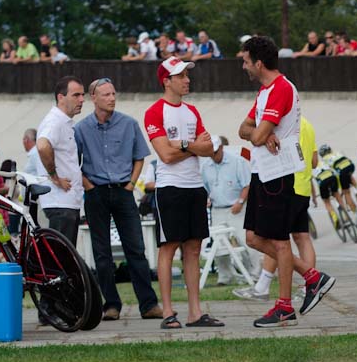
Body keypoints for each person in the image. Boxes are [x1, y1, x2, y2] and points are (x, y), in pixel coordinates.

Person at [238, 36, 334, 327]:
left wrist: (260, 133)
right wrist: (262, 133)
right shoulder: (265, 91)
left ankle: (284, 306)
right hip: (263, 172)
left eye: (245, 61)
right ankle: (312, 275)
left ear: (258, 62)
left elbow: (253, 134)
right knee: (253, 237)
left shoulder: (280, 89)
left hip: (278, 175)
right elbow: (243, 129)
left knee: (279, 242)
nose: (244, 67)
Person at [144, 57, 222, 329]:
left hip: (194, 187)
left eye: (187, 75)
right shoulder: (155, 112)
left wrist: (183, 143)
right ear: (167, 80)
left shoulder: (192, 112)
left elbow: (210, 148)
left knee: (193, 249)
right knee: (168, 248)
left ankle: (195, 313)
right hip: (170, 189)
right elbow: (164, 154)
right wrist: (191, 145)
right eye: (181, 76)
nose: (187, 80)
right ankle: (167, 312)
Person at [76, 77, 162, 321]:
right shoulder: (81, 129)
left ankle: (148, 304)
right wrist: (89, 187)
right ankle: (111, 305)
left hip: (124, 191)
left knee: (136, 248)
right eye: (106, 94)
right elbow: (73, 163)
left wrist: (131, 184)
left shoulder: (129, 124)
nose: (112, 98)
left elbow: (139, 157)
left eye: (114, 93)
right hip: (96, 193)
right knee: (101, 252)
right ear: (94, 98)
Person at [36, 76, 86, 246]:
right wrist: (54, 176)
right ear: (60, 97)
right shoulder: (55, 121)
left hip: (67, 201)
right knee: (60, 257)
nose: (82, 100)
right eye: (76, 95)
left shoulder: (63, 122)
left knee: (65, 255)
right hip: (60, 202)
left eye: (82, 95)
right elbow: (43, 146)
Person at [201, 136, 256, 285]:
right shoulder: (206, 166)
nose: (213, 155)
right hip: (217, 208)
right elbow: (205, 186)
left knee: (245, 241)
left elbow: (247, 184)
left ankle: (255, 272)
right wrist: (207, 198)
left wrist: (240, 202)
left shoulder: (237, 162)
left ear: (221, 148)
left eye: (215, 152)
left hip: (236, 208)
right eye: (210, 152)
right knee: (220, 245)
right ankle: (225, 276)